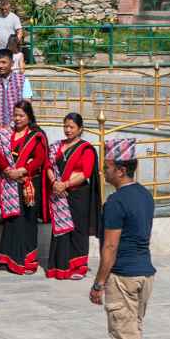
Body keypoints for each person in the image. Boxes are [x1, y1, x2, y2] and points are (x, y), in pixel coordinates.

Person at [91, 138, 154, 339]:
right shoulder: (144, 194)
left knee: (124, 332)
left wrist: (99, 283)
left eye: (107, 166)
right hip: (145, 273)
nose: (103, 171)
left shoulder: (115, 203)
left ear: (120, 170)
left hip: (124, 276)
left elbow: (111, 245)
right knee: (132, 329)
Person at [0, 100, 49, 275]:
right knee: (12, 221)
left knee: (27, 221)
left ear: (29, 116)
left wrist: (21, 171)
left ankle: (27, 261)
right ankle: (8, 259)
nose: (17, 118)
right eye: (15, 115)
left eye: (21, 115)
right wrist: (8, 170)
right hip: (10, 182)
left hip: (28, 184)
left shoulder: (36, 135)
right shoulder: (6, 134)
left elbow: (40, 159)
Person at [46, 113, 101, 280]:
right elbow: (48, 165)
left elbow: (85, 173)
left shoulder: (86, 148)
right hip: (58, 193)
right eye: (65, 126)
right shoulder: (56, 146)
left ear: (80, 129)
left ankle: (78, 267)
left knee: (77, 230)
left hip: (77, 195)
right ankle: (59, 266)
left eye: (71, 127)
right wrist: (55, 181)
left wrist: (65, 184)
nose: (68, 130)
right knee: (60, 232)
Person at [0, 49, 33, 131]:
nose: (0, 65)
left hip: (19, 129)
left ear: (12, 63)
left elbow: (26, 106)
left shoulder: (23, 80)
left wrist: (12, 126)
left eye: (4, 62)